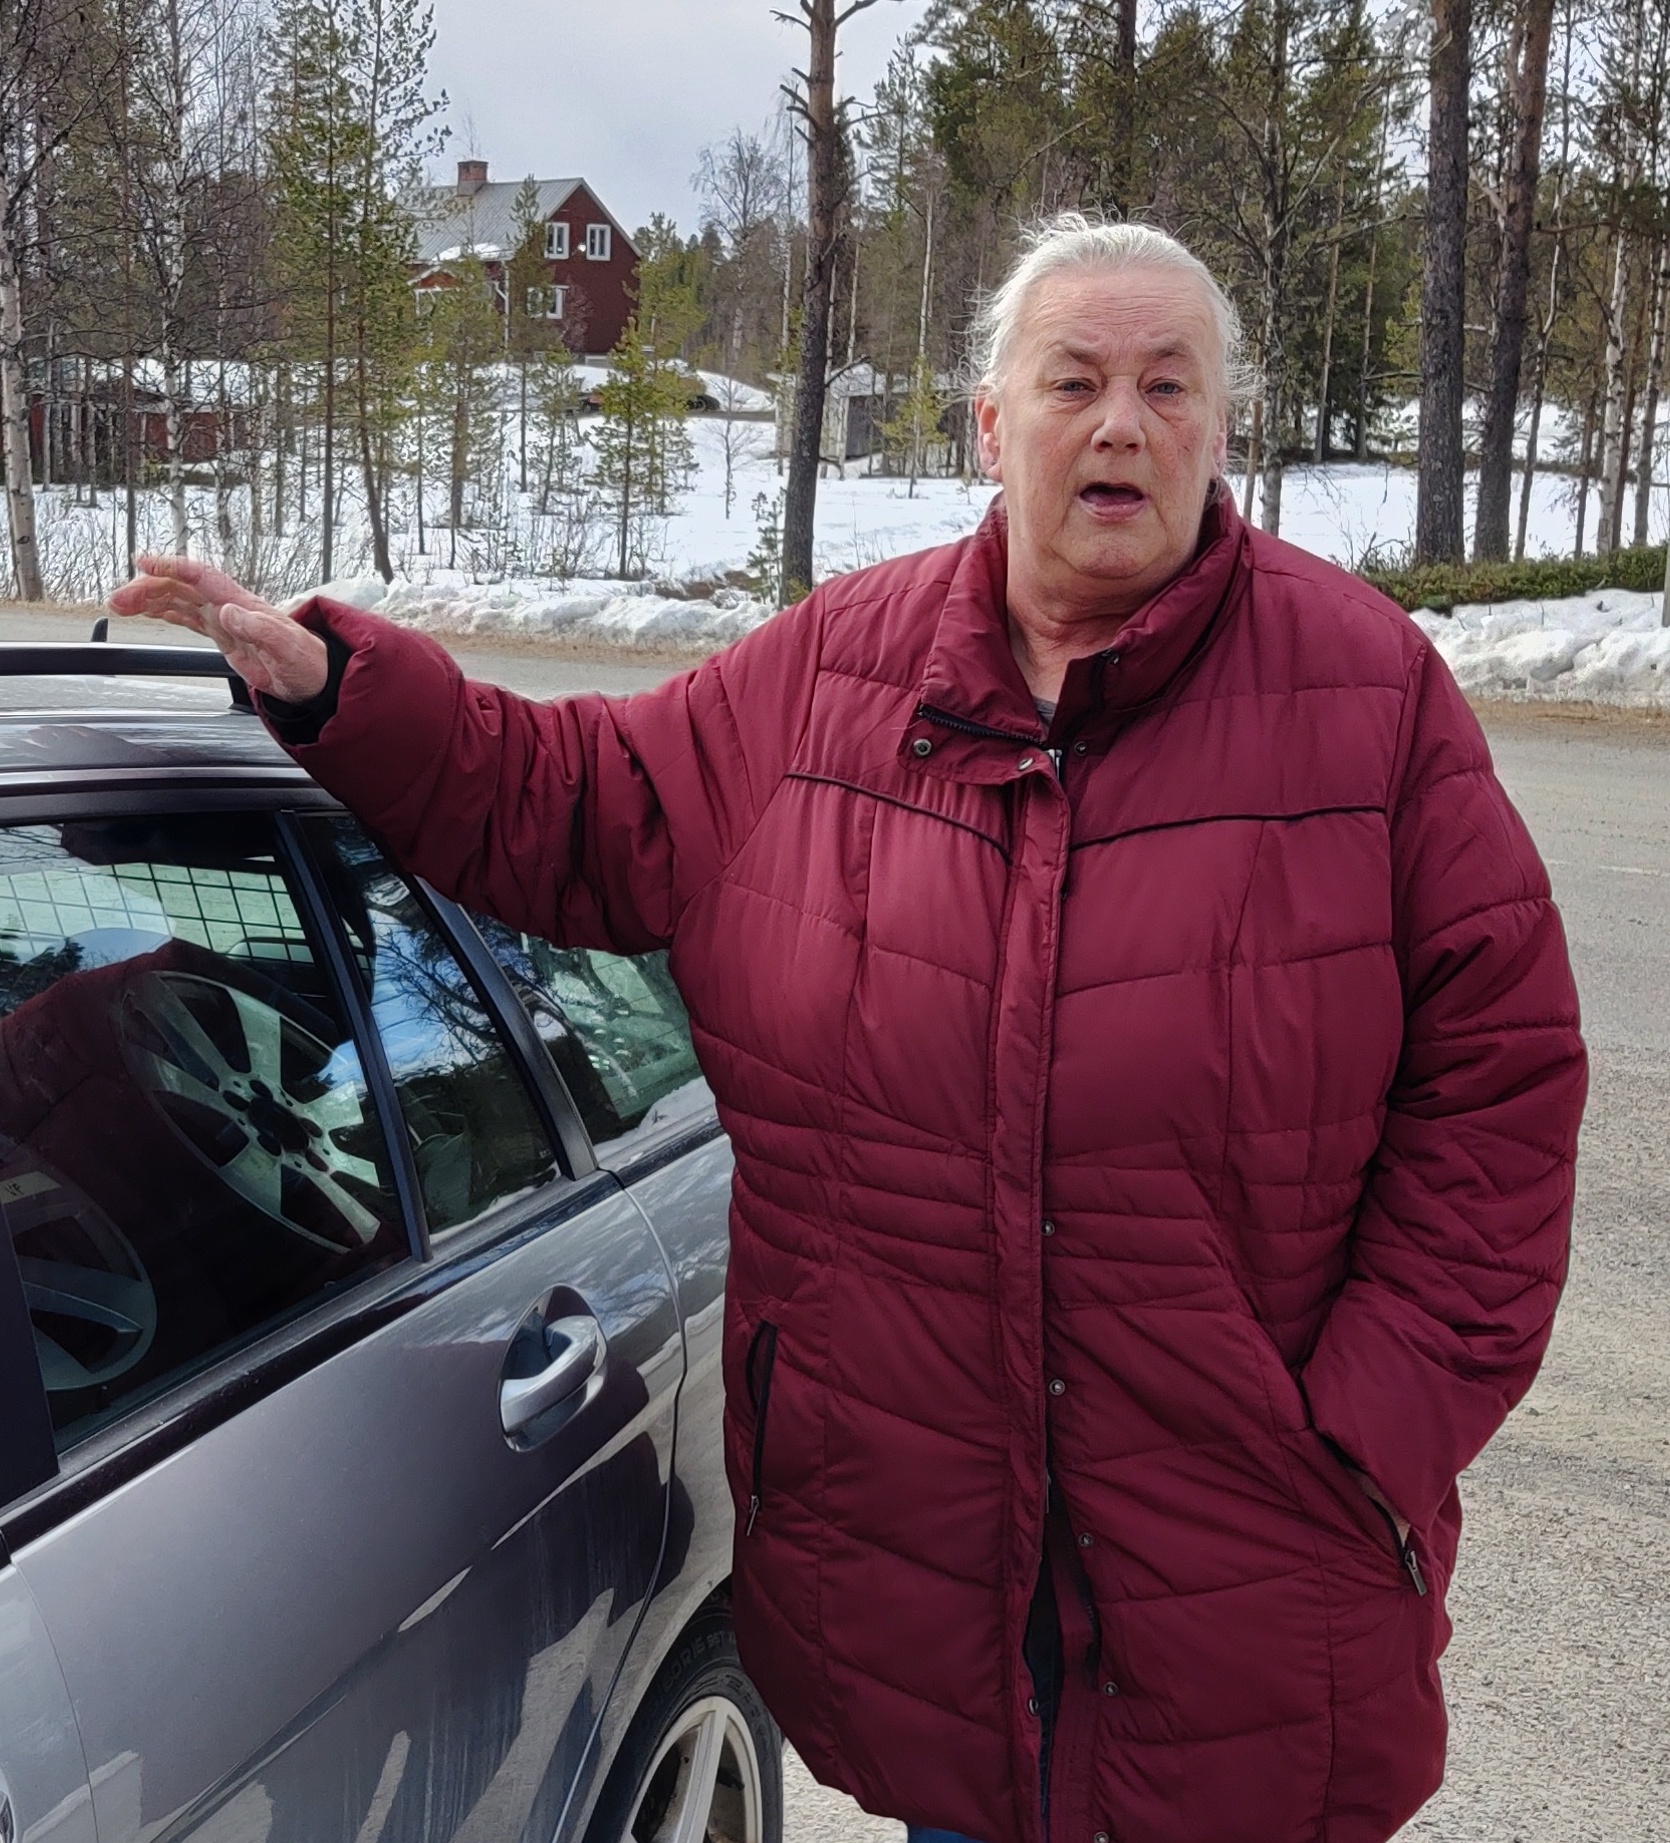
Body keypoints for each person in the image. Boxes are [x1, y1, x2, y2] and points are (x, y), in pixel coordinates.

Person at [110, 215, 1587, 1843]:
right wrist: (337, 689)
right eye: (1074, 382)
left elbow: (1499, 1084)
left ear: (1218, 428)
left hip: (1243, 1554)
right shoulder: (834, 672)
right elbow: (584, 803)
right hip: (924, 1552)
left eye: (1167, 385)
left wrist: (1360, 1434)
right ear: (991, 425)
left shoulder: (1364, 694)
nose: (1120, 423)